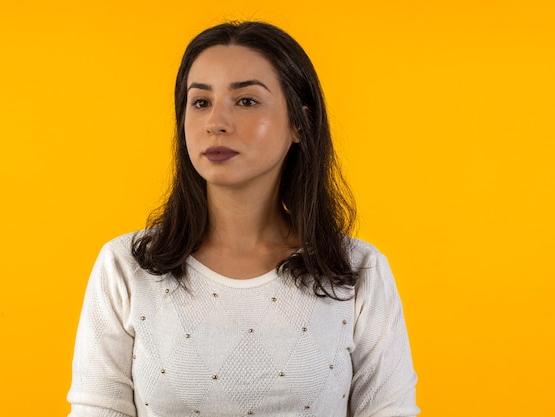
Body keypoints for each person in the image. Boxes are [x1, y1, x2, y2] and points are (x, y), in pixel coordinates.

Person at [67, 21, 420, 417]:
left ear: (299, 124)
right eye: (200, 102)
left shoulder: (356, 270)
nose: (216, 122)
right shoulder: (125, 268)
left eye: (246, 101)